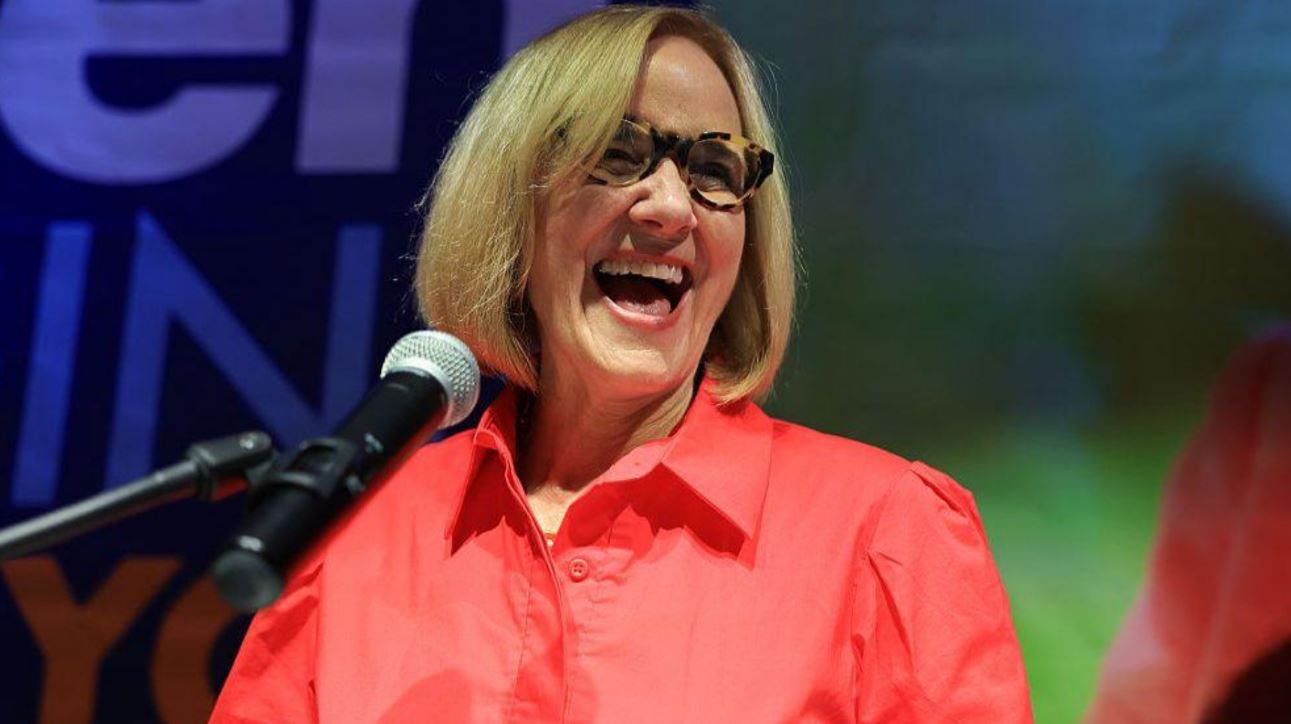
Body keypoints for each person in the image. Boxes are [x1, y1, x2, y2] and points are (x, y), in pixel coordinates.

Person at [211, 6, 1031, 722]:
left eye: (715, 170)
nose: (671, 207)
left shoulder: (885, 531)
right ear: (509, 203)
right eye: (616, 151)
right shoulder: (357, 532)